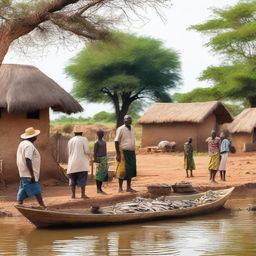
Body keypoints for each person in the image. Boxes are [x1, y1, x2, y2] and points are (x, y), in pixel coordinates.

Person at [16, 127, 46, 209]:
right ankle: (42, 205)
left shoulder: (22, 143)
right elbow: (28, 159)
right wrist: (32, 174)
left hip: (23, 171)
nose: (36, 137)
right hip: (28, 173)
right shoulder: (29, 145)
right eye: (36, 136)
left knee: (23, 188)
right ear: (32, 137)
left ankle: (19, 203)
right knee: (36, 189)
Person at [115, 115, 137, 193]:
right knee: (122, 170)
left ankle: (128, 187)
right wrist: (118, 154)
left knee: (130, 170)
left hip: (131, 152)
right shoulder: (120, 129)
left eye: (129, 120)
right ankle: (120, 188)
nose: (127, 121)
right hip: (123, 152)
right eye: (125, 120)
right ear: (124, 121)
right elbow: (116, 141)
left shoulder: (133, 128)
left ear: (131, 121)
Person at [67, 127, 90, 198]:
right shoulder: (84, 139)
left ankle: (73, 195)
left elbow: (68, 152)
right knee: (83, 178)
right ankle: (82, 194)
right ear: (82, 133)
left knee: (72, 179)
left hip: (72, 163)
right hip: (81, 163)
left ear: (74, 133)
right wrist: (89, 156)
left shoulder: (70, 140)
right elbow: (87, 151)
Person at [94, 129, 108, 194]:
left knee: (102, 174)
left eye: (102, 133)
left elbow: (105, 150)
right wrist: (96, 160)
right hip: (99, 159)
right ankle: (98, 189)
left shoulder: (104, 141)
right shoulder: (96, 142)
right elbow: (95, 152)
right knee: (98, 174)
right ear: (97, 134)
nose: (102, 134)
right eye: (100, 133)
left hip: (104, 158)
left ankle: (100, 188)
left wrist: (106, 158)